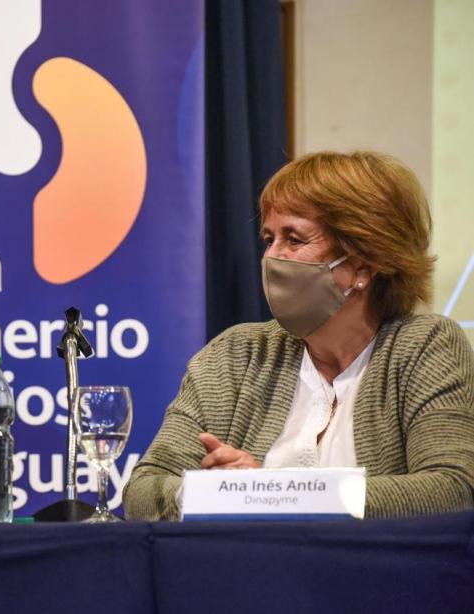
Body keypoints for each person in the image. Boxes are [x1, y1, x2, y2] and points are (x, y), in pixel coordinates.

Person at [124, 150, 474, 521]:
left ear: (363, 264)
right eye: (268, 238)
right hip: (249, 575)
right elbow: (142, 491)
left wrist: (269, 490)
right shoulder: (235, 355)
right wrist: (214, 492)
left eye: (293, 239)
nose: (271, 257)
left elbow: (451, 490)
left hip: (376, 577)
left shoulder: (425, 346)